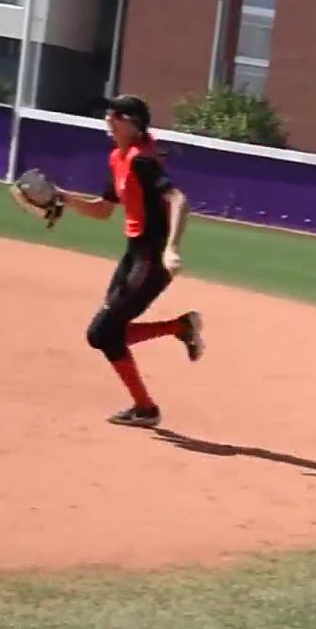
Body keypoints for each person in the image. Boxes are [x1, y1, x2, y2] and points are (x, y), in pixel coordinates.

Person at [56, 93, 204, 428]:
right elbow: (103, 209)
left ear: (133, 123)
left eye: (117, 114)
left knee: (102, 333)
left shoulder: (141, 160)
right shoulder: (117, 158)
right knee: (105, 334)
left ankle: (146, 407)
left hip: (151, 260)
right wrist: (63, 198)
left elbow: (178, 198)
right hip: (133, 255)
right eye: (109, 113)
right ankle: (178, 330)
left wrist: (172, 248)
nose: (109, 119)